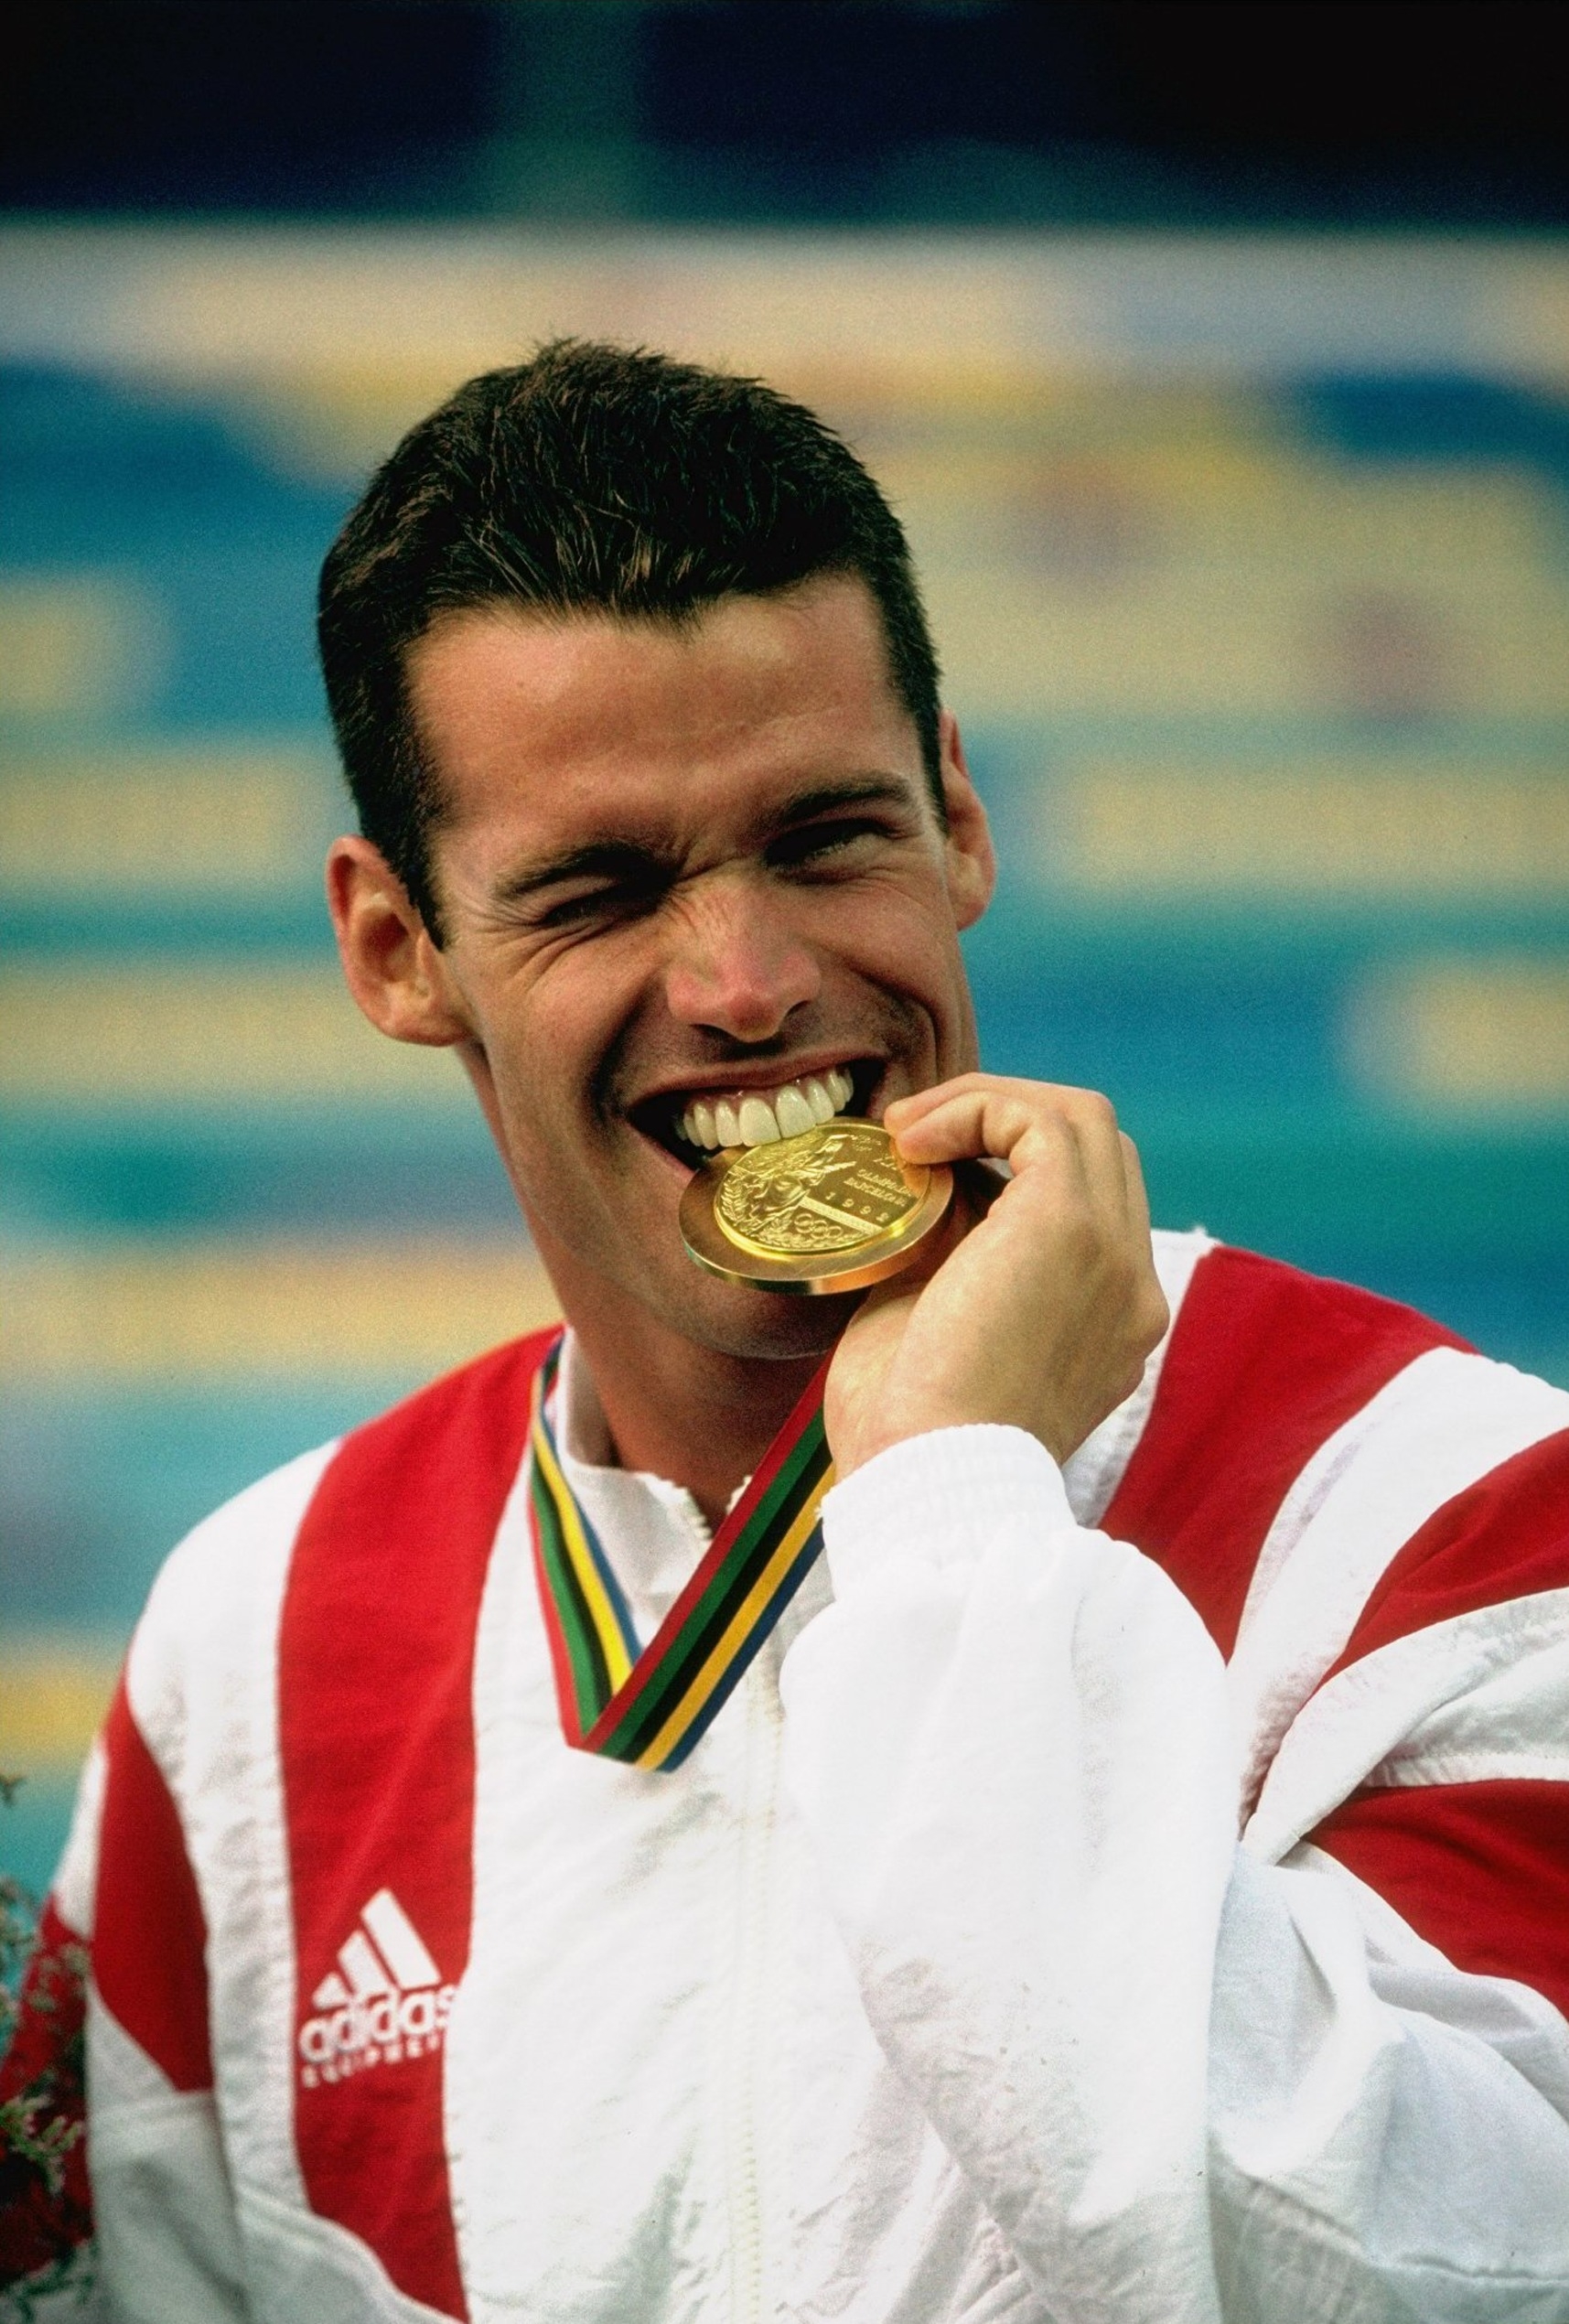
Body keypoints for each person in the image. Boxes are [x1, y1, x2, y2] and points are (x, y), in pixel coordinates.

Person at [5, 340, 1568, 2324]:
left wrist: (951, 1521)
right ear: (400, 953)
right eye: (603, 887)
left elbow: (1423, 2279)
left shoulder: (1455, 1525)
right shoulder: (249, 1649)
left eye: (829, 837)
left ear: (962, 821)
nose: (748, 983)